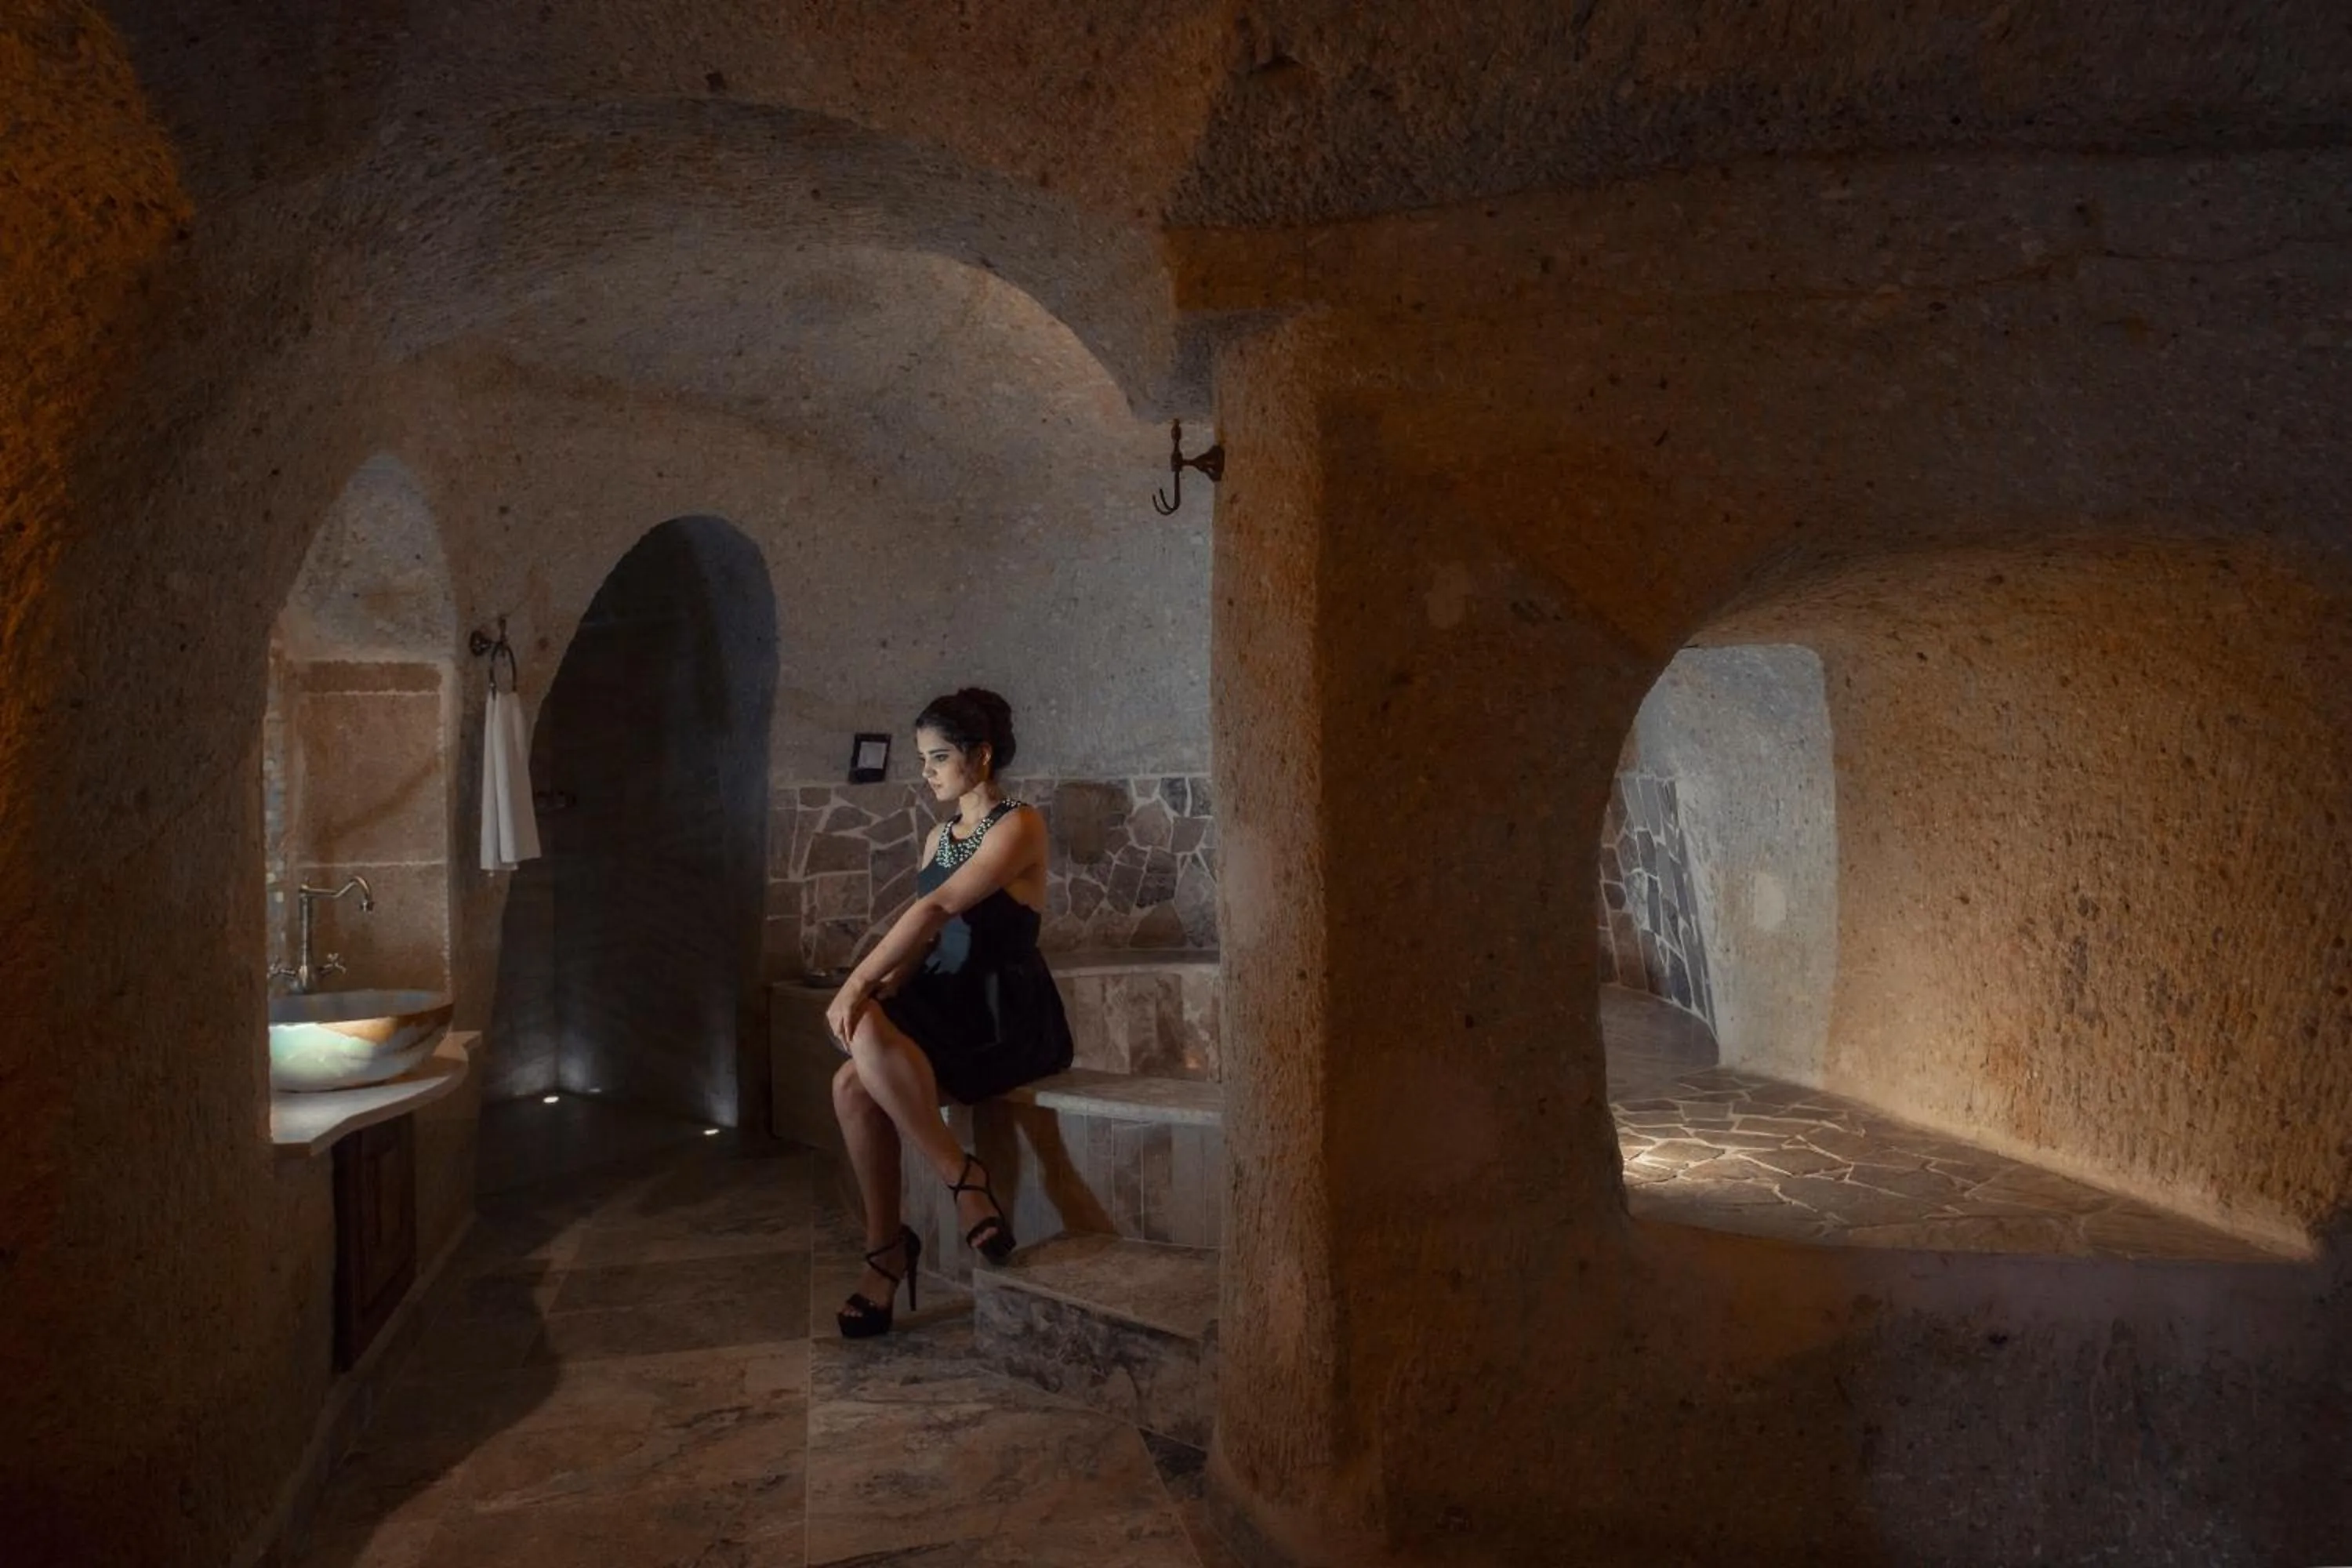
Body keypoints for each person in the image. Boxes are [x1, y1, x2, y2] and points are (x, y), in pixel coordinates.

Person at [825, 688, 1075, 1338]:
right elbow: (925, 940)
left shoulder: (1019, 824)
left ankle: (953, 1189)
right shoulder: (939, 836)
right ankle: (902, 1233)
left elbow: (937, 908)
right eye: (923, 760)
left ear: (981, 755)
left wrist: (856, 983)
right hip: (941, 996)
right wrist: (883, 989)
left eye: (938, 758)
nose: (927, 773)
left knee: (855, 1055)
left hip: (998, 1008)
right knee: (851, 1082)